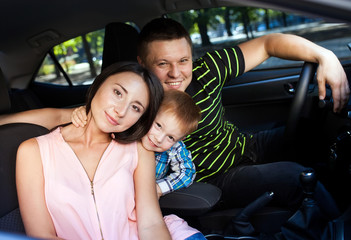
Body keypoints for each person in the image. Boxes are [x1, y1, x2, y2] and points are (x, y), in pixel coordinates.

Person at [2, 17, 348, 220]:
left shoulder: (208, 67)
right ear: (142, 62)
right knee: (297, 177)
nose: (175, 74)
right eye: (162, 64)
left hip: (246, 144)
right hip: (217, 177)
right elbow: (56, 114)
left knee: (320, 131)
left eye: (182, 60)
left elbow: (271, 42)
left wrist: (324, 54)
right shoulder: (136, 102)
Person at [15, 61, 204, 240]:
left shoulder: (139, 149)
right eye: (118, 93)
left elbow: (151, 224)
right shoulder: (33, 152)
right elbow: (40, 235)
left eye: (136, 108)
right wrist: (77, 114)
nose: (121, 111)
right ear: (98, 84)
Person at [71, 89, 201, 198]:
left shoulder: (175, 149)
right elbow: (102, 123)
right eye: (158, 125)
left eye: (171, 137)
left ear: (180, 139)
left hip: (141, 201)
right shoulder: (128, 126)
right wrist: (84, 112)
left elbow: (187, 173)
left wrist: (159, 188)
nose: (159, 138)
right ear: (149, 113)